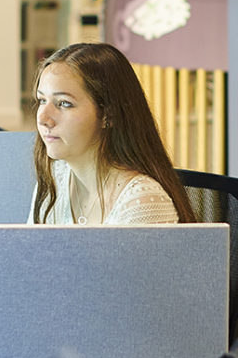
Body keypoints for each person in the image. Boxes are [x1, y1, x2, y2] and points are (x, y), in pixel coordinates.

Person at [27, 42, 193, 225]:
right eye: (42, 100)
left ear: (109, 114)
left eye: (64, 103)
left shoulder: (143, 202)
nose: (43, 118)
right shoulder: (55, 178)